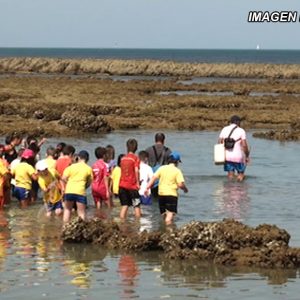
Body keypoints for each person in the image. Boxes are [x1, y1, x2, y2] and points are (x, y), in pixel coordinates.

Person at [146, 151, 188, 225]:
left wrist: (147, 188)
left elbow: (153, 178)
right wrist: (185, 189)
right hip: (171, 195)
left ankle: (163, 228)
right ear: (177, 162)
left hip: (161, 194)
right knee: (170, 215)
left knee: (164, 214)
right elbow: (180, 184)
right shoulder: (177, 171)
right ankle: (168, 230)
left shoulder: (162, 168)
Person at [62, 150, 93, 223]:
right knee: (81, 212)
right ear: (87, 159)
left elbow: (63, 178)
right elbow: (89, 182)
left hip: (69, 190)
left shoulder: (71, 167)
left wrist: (69, 183)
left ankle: (65, 227)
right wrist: (84, 187)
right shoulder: (88, 168)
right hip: (80, 191)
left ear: (78, 157)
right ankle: (81, 229)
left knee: (67, 210)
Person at [218, 115, 250, 181]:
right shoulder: (241, 131)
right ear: (238, 122)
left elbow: (219, 142)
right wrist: (247, 155)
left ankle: (230, 189)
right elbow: (244, 145)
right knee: (241, 174)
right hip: (238, 157)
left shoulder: (224, 129)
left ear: (231, 122)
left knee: (230, 174)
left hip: (227, 157)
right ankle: (239, 188)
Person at [119, 139, 141, 220]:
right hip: (132, 186)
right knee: (136, 206)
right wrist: (138, 183)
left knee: (125, 205)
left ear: (127, 147)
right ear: (136, 148)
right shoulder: (135, 158)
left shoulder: (123, 158)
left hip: (122, 185)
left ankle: (122, 223)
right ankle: (137, 224)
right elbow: (136, 170)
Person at [145, 133, 172, 197]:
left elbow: (145, 164)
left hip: (152, 179)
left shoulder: (148, 150)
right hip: (163, 180)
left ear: (155, 140)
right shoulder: (168, 151)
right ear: (164, 140)